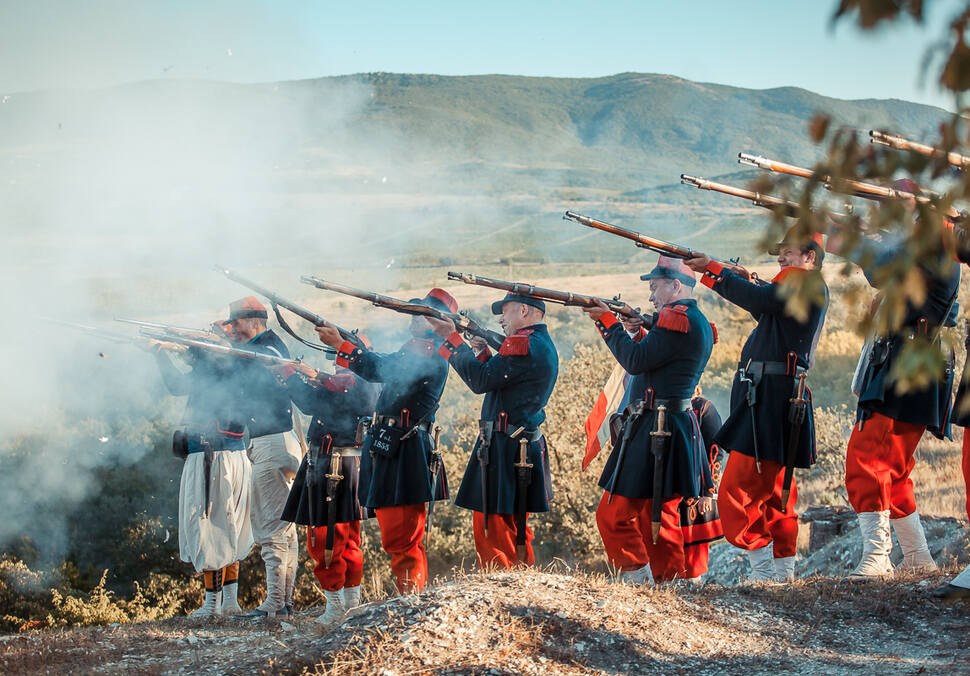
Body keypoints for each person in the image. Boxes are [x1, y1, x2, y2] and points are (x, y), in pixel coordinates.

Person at [828, 180, 959, 579]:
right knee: (894, 467)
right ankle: (918, 556)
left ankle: (878, 557)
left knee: (867, 456)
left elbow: (882, 268)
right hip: (908, 359)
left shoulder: (933, 241)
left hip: (910, 361)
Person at [685, 229, 828, 582]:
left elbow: (761, 300)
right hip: (776, 396)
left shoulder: (801, 283)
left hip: (769, 398)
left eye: (788, 252)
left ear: (809, 257)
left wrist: (714, 271)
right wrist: (740, 280)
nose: (780, 258)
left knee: (738, 488)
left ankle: (765, 574)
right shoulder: (798, 288)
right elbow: (768, 310)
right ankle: (781, 576)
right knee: (777, 492)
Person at [579, 256, 716, 583]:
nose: (651, 296)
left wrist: (607, 323)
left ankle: (649, 583)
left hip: (658, 426)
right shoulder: (683, 321)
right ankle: (657, 582)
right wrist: (638, 329)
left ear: (676, 286)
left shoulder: (676, 319)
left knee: (637, 516)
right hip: (662, 424)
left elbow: (636, 361)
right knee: (649, 517)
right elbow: (658, 357)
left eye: (655, 288)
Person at [315, 289, 454, 594]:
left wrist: (343, 346)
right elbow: (382, 364)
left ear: (439, 321)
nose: (414, 317)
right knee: (395, 533)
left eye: (422, 313)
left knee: (403, 537)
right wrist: (347, 345)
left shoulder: (432, 353)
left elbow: (381, 369)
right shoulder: (413, 349)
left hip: (405, 446)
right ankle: (407, 602)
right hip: (389, 444)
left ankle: (410, 604)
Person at [427, 290, 559, 570]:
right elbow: (504, 378)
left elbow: (480, 381)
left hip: (505, 444)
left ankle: (502, 585)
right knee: (511, 525)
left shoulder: (523, 344)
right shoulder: (532, 343)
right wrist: (481, 350)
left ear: (524, 311)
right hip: (514, 441)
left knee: (493, 525)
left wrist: (452, 340)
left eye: (506, 311)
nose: (500, 319)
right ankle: (520, 583)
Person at [150, 331, 253, 617]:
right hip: (233, 455)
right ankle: (230, 601)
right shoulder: (235, 367)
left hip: (210, 457)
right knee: (231, 525)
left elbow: (175, 384)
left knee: (208, 526)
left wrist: (160, 351)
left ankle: (213, 604)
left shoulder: (212, 370)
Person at [277, 357, 378, 628]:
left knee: (325, 540)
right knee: (346, 539)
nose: (336, 368)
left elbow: (311, 403)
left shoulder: (355, 385)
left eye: (341, 364)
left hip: (331, 463)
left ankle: (337, 607)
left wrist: (290, 375)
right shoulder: (349, 384)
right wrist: (314, 379)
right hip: (344, 462)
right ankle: (349, 605)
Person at [223, 296, 303, 617]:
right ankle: (284, 602)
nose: (234, 328)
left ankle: (274, 603)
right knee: (286, 529)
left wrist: (222, 344)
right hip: (278, 441)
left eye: (237, 322)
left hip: (271, 444)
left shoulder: (267, 347)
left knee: (270, 527)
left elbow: (258, 360)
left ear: (255, 321)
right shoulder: (265, 346)